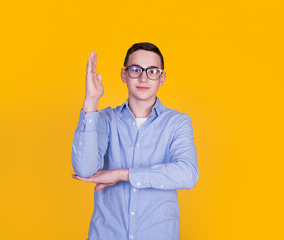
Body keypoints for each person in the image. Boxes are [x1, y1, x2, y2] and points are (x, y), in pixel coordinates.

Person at [71, 42, 199, 240]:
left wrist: (123, 174)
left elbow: (187, 174)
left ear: (162, 78)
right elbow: (84, 169)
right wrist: (91, 101)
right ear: (124, 74)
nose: (143, 77)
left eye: (152, 71)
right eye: (135, 69)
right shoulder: (105, 119)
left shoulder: (177, 122)